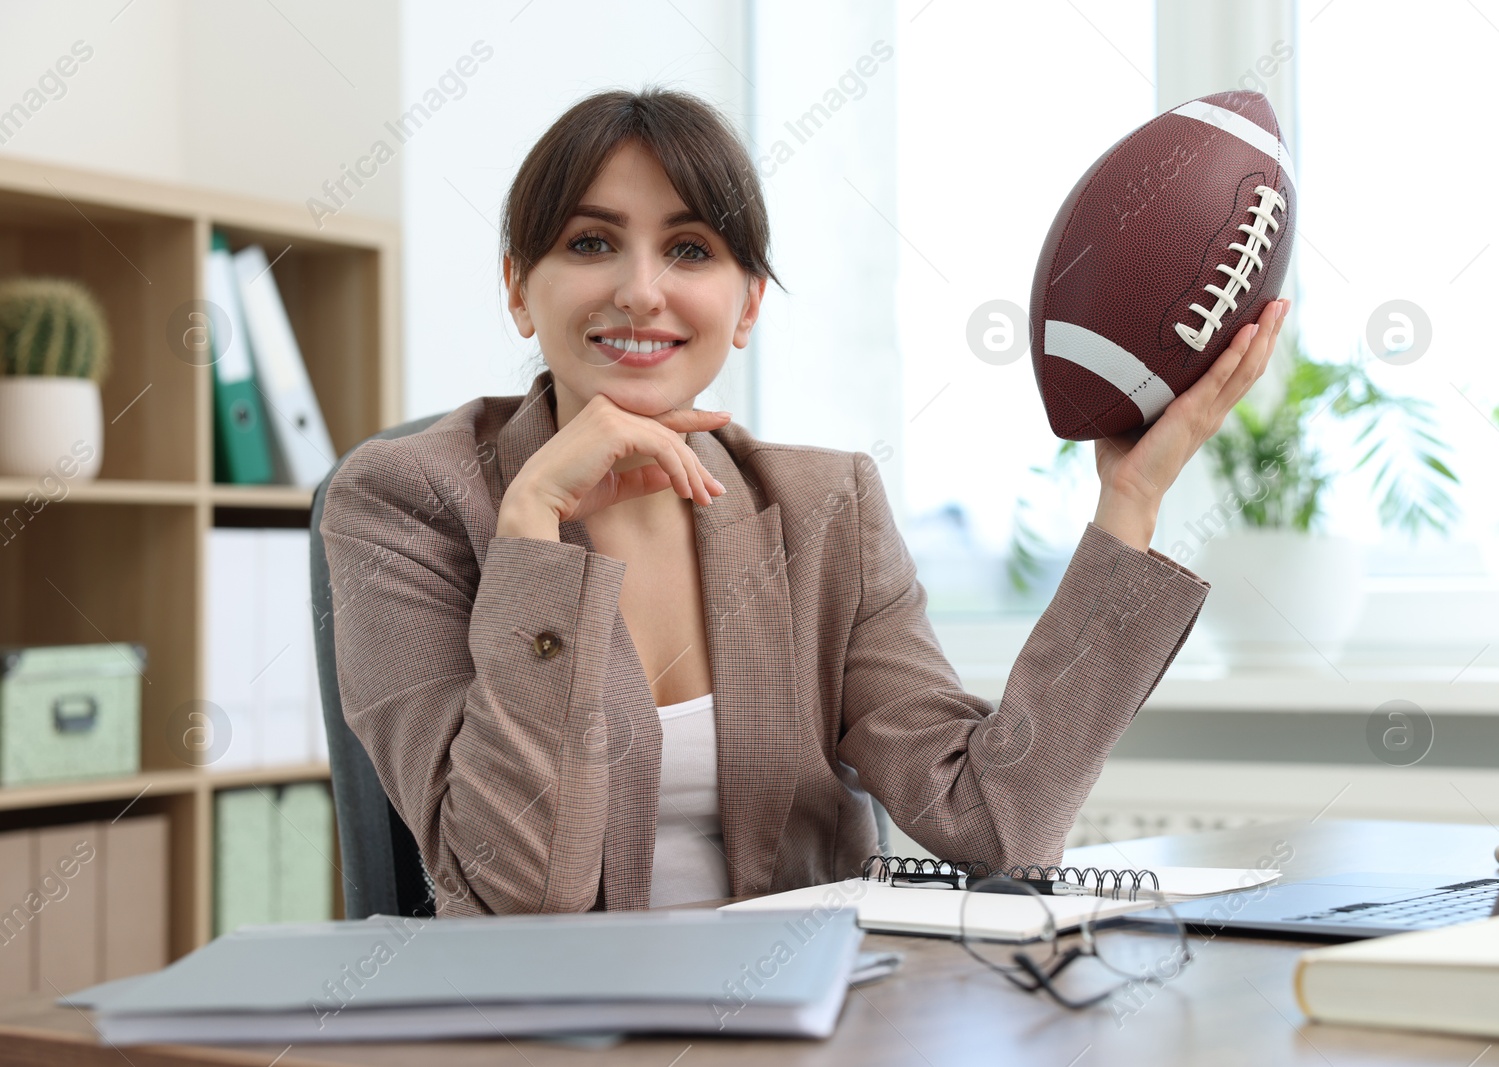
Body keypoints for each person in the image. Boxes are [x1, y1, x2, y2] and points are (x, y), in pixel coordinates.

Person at [320, 86, 1289, 917]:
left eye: (691, 250)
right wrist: (532, 534)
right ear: (520, 290)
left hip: (813, 1026)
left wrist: (1130, 494)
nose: (641, 290)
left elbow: (995, 823)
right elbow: (516, 901)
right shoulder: (404, 504)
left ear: (746, 306)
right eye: (590, 241)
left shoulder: (827, 506)